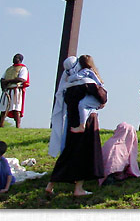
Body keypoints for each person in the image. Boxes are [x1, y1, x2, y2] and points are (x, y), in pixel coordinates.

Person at [46, 56, 105, 197]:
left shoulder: (68, 86)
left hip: (71, 122)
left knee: (68, 153)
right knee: (84, 154)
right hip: (88, 123)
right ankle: (78, 188)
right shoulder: (87, 83)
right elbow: (102, 97)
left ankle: (51, 184)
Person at [66, 55, 107, 134]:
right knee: (87, 106)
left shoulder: (85, 71)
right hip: (98, 98)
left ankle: (82, 125)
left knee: (82, 104)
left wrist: (69, 78)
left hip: (97, 97)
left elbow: (77, 77)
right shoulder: (92, 71)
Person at [0, 53, 30, 128]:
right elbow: (2, 79)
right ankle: (1, 125)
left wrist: (8, 81)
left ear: (20, 59)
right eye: (14, 57)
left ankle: (17, 126)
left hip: (16, 90)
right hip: (7, 90)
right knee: (3, 109)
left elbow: (21, 79)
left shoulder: (23, 68)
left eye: (16, 57)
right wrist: (3, 87)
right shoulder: (9, 69)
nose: (14, 58)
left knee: (16, 109)